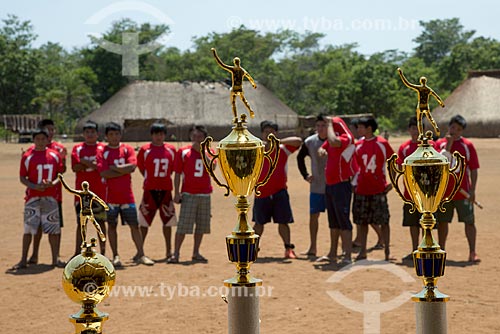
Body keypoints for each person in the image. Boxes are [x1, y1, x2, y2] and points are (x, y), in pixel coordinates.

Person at [97, 122, 154, 267]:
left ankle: (141, 254)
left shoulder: (127, 149)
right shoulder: (103, 151)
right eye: (111, 134)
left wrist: (114, 168)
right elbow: (104, 173)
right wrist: (122, 170)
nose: (114, 137)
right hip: (110, 197)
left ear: (120, 135)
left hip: (127, 196)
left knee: (134, 225)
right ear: (106, 136)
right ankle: (115, 255)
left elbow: (132, 167)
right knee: (112, 226)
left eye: (117, 134)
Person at [12, 128, 65, 270]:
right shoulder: (27, 156)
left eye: (43, 139)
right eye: (38, 139)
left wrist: (52, 184)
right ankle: (23, 259)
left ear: (48, 140)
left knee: (53, 229)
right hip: (32, 198)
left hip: (50, 198)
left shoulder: (54, 155)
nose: (41, 142)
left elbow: (59, 175)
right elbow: (23, 177)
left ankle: (55, 258)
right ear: (33, 140)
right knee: (29, 229)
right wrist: (33, 186)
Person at [252, 120, 302, 259]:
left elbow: (298, 141)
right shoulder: (256, 150)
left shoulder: (282, 149)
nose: (268, 134)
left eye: (271, 132)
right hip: (261, 192)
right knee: (258, 223)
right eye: (266, 132)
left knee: (283, 222)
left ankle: (288, 248)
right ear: (262, 134)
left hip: (280, 191)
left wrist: (278, 141)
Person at [435, 115, 480, 263]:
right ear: (449, 127)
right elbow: (440, 163)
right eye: (453, 127)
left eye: (459, 129)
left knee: (469, 221)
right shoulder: (438, 145)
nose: (455, 131)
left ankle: (472, 251)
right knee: (442, 222)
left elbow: (473, 169)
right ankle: (441, 250)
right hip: (444, 193)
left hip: (462, 192)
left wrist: (472, 190)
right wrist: (448, 145)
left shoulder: (467, 145)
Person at [168, 125, 213, 263]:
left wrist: (203, 152)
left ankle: (196, 252)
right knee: (183, 225)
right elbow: (177, 173)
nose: (196, 139)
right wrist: (176, 192)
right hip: (188, 194)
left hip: (205, 194)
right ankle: (176, 253)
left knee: (201, 225)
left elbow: (213, 167)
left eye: (200, 137)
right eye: (194, 136)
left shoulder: (210, 152)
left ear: (205, 138)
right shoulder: (183, 152)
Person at [25, 119, 67, 265]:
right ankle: (34, 254)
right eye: (47, 129)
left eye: (52, 129)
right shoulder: (32, 149)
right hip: (35, 195)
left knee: (55, 225)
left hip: (55, 194)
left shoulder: (59, 149)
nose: (50, 132)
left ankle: (56, 256)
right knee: (37, 226)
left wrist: (63, 160)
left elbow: (62, 170)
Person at [352, 116, 394, 261]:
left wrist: (392, 183)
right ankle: (362, 251)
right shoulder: (358, 145)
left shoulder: (382, 143)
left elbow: (394, 163)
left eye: (361, 127)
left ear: (369, 128)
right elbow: (355, 167)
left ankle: (387, 251)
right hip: (362, 189)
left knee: (384, 221)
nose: (358, 130)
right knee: (362, 222)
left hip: (378, 189)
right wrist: (354, 184)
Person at [316, 117, 357, 264]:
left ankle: (347, 255)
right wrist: (321, 150)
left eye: (326, 125)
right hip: (330, 185)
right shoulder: (335, 138)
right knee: (333, 221)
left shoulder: (347, 138)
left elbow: (332, 141)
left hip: (341, 185)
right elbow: (324, 146)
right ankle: (332, 253)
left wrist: (330, 125)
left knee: (344, 220)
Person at [396, 117, 438, 260]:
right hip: (410, 193)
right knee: (412, 222)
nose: (415, 131)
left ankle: (426, 249)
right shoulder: (404, 148)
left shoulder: (431, 146)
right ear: (409, 130)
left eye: (418, 128)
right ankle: (415, 249)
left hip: (427, 192)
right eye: (413, 128)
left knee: (426, 223)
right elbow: (399, 166)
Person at [137, 123, 177, 261]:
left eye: (161, 134)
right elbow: (142, 168)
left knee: (168, 221)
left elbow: (172, 169)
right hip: (149, 190)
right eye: (156, 134)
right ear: (151, 135)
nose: (158, 137)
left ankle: (168, 251)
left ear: (165, 135)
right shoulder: (145, 150)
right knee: (144, 221)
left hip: (166, 189)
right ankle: (140, 251)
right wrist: (151, 179)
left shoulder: (171, 150)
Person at [70, 121, 107, 256]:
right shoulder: (77, 148)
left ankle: (103, 252)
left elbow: (102, 167)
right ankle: (76, 252)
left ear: (97, 134)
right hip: (82, 194)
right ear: (83, 134)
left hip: (99, 192)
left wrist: (85, 162)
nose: (90, 135)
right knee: (81, 223)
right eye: (87, 132)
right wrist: (93, 165)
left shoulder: (103, 148)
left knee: (101, 223)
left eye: (92, 132)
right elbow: (75, 167)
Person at [296, 114, 328, 257]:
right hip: (316, 185)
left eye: (324, 126)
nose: (321, 129)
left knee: (336, 217)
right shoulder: (310, 142)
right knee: (313, 216)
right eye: (318, 126)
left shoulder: (336, 141)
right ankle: (313, 247)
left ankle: (338, 248)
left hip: (334, 186)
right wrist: (305, 175)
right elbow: (300, 157)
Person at [58, 174, 107, 247]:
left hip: (84, 212)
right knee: (90, 225)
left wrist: (62, 180)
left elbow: (69, 189)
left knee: (88, 225)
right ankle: (87, 240)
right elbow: (99, 200)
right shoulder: (89, 194)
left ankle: (93, 239)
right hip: (87, 211)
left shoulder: (82, 193)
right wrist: (105, 205)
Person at [397, 68, 445, 138]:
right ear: (425, 81)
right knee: (431, 118)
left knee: (419, 120)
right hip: (426, 106)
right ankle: (435, 126)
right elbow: (436, 96)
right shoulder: (428, 89)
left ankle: (421, 134)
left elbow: (408, 84)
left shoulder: (419, 88)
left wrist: (401, 74)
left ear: (420, 81)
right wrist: (441, 103)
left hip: (420, 106)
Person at [211, 48, 257, 119]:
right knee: (244, 100)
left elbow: (222, 64)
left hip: (234, 88)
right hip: (240, 88)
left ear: (234, 62)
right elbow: (249, 77)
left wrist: (214, 54)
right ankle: (250, 110)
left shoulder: (233, 69)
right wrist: (253, 84)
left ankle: (235, 117)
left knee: (233, 103)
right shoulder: (242, 70)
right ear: (239, 62)